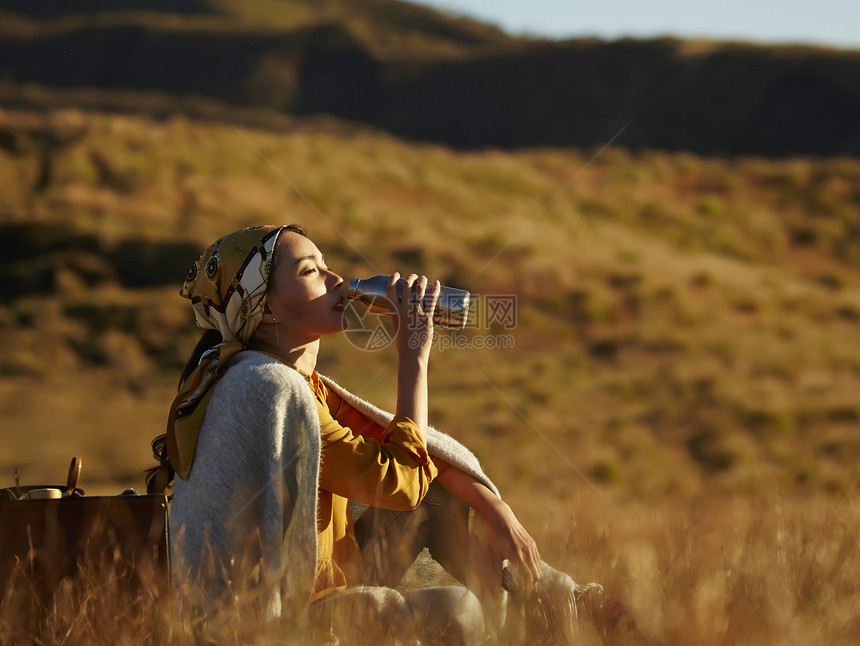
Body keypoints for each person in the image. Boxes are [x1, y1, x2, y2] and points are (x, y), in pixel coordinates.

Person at [146, 224, 602, 645]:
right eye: (310, 271)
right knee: (456, 610)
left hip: (336, 580)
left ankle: (567, 606)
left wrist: (493, 506)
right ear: (263, 309)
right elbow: (398, 481)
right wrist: (413, 357)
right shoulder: (268, 389)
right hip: (288, 617)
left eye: (326, 264)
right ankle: (560, 614)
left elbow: (424, 464)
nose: (336, 278)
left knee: (443, 501)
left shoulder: (303, 385)